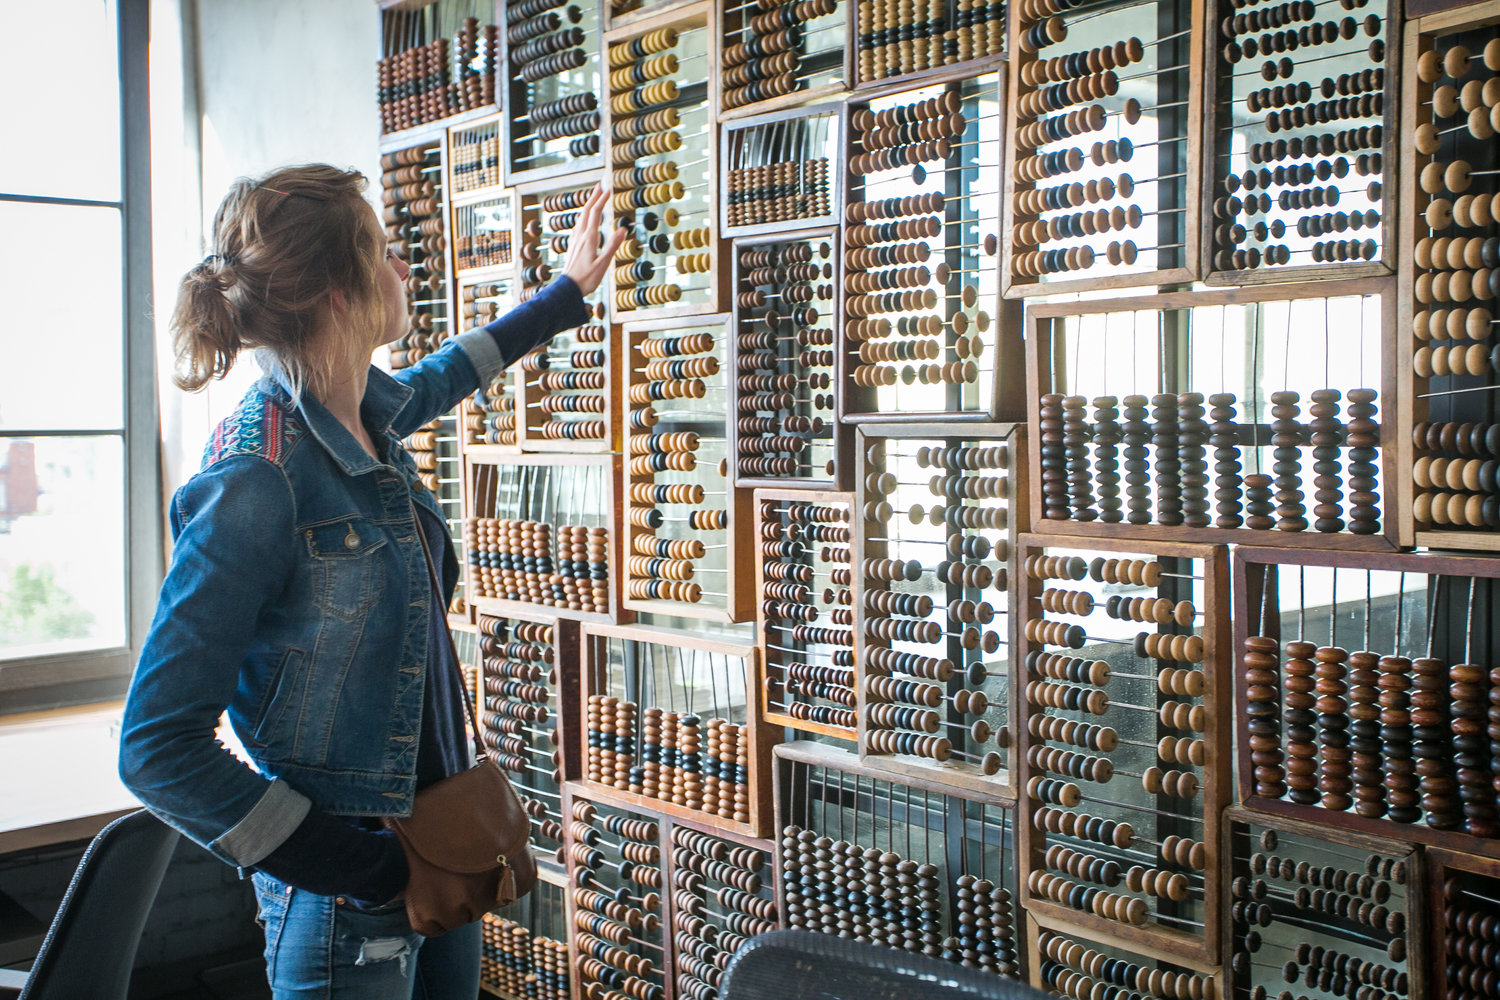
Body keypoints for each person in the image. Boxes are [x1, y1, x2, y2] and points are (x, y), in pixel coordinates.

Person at [118, 163, 624, 998]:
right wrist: (363, 870)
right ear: (339, 297)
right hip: (350, 902)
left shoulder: (362, 411)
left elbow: (444, 376)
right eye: (385, 254)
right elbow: (155, 749)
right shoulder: (255, 479)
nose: (403, 269)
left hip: (437, 851)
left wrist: (562, 297)